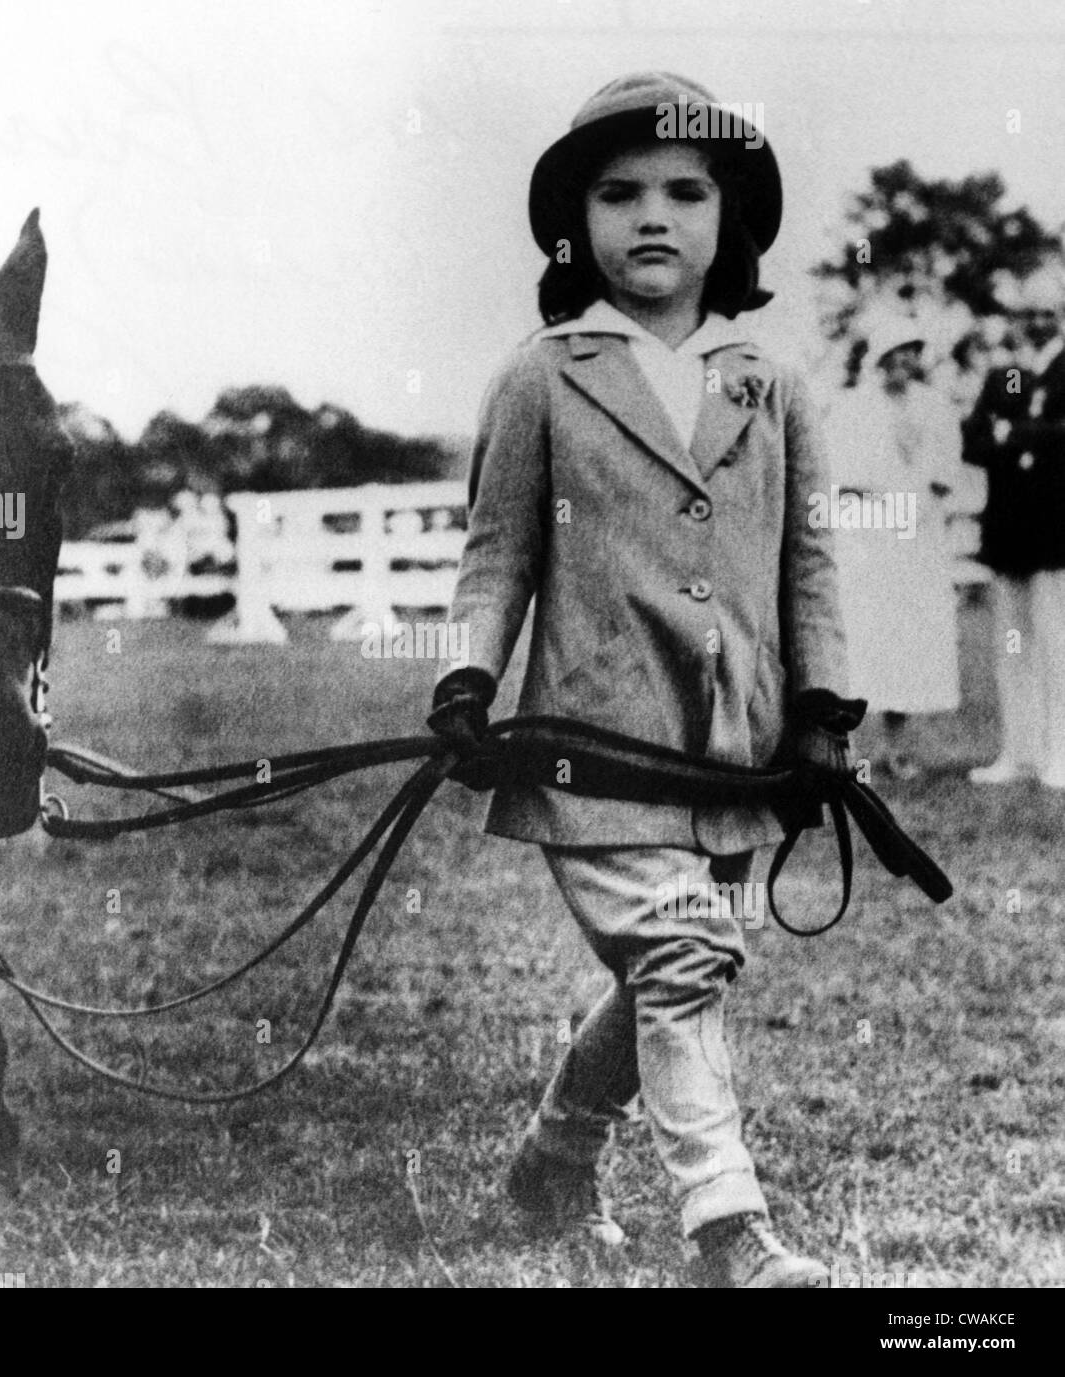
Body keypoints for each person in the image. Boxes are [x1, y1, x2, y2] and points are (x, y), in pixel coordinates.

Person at [427, 72, 863, 1288]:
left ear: (733, 222)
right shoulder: (540, 375)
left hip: (735, 747)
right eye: (619, 195)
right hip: (590, 740)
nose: (652, 216)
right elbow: (494, 556)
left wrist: (824, 709)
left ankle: (552, 1164)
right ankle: (727, 1229)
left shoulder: (771, 386)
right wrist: (466, 679)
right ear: (577, 224)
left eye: (685, 191)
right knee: (680, 952)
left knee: (677, 954)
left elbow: (807, 561)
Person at [824, 324, 963, 779]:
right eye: (896, 353)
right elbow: (839, 478)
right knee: (864, 640)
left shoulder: (934, 405)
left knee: (907, 643)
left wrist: (921, 496)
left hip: (916, 541)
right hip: (867, 543)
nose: (904, 363)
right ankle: (848, 750)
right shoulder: (849, 407)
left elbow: (944, 474)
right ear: (879, 357)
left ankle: (897, 747)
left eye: (911, 354)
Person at [963, 266, 1065, 788]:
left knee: (1056, 644)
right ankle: (1018, 751)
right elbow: (974, 441)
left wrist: (1015, 432)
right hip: (1009, 529)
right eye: (1029, 313)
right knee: (1013, 644)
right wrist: (1025, 437)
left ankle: (1059, 753)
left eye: (1048, 312)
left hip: (1055, 529)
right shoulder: (1006, 374)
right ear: (1018, 319)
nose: (1038, 321)